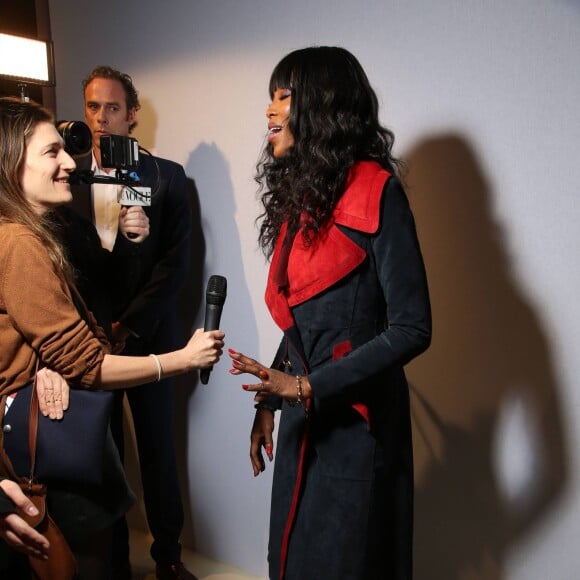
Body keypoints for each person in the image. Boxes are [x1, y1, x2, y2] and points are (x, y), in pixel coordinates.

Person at [228, 46, 432, 580]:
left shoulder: (379, 191)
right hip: (301, 415)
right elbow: (304, 316)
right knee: (291, 560)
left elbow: (413, 327)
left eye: (283, 97)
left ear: (322, 104)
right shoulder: (306, 193)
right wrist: (270, 403)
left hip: (358, 425)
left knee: (346, 563)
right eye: (269, 99)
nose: (270, 113)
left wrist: (306, 388)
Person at [0, 97, 224, 578]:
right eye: (51, 153)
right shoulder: (16, 241)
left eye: (66, 150)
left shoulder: (36, 228)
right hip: (37, 446)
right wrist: (181, 359)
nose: (68, 162)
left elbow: (65, 308)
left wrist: (46, 360)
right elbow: (88, 364)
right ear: (12, 162)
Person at [62, 66, 197, 580]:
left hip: (149, 336)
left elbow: (175, 267)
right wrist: (93, 331)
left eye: (112, 107)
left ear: (132, 114)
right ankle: (114, 564)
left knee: (159, 451)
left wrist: (128, 328)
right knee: (103, 454)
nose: (100, 118)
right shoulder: (65, 175)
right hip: (86, 340)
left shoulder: (166, 176)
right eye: (92, 107)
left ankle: (169, 558)